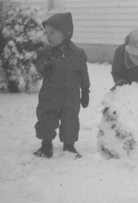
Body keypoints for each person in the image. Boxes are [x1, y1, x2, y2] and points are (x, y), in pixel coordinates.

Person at [33, 12, 90, 159]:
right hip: (50, 93)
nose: (48, 36)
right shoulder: (45, 52)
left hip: (71, 94)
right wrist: (44, 67)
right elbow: (40, 65)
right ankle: (46, 145)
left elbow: (83, 72)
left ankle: (69, 146)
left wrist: (85, 90)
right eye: (47, 33)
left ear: (66, 33)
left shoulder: (78, 53)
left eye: (53, 33)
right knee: (46, 117)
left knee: (70, 119)